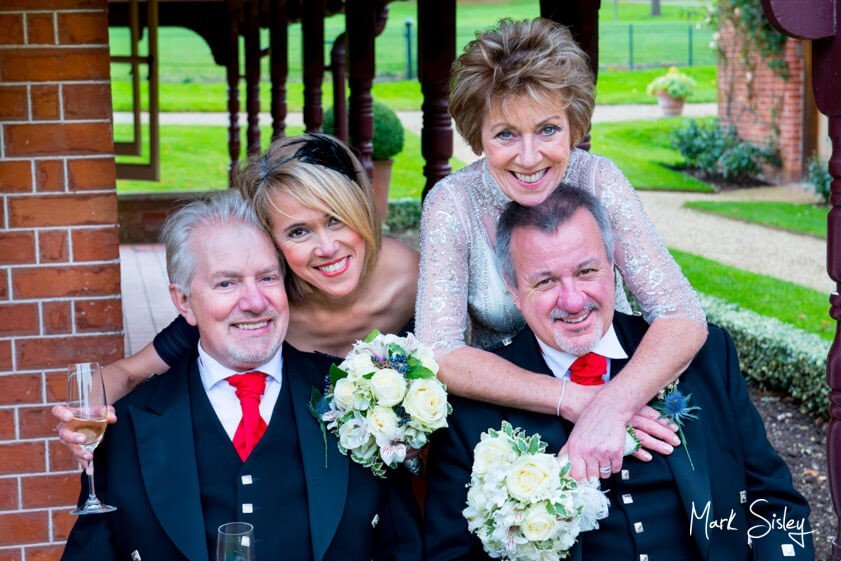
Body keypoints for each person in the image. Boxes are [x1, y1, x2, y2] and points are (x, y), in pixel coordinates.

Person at [423, 186, 813, 561]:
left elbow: (775, 503)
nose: (573, 301)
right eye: (545, 281)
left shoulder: (706, 358)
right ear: (512, 289)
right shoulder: (475, 407)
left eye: (587, 271)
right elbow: (452, 553)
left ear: (613, 267)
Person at [415, 17, 708, 479]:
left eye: (548, 130)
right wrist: (572, 400)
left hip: (618, 391)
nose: (529, 158)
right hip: (512, 416)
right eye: (506, 134)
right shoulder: (452, 205)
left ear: (573, 124)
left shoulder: (599, 179)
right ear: (478, 135)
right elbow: (440, 352)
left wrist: (611, 405)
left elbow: (683, 316)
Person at [61, 190, 423, 561]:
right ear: (183, 301)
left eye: (267, 278)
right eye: (226, 283)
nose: (254, 302)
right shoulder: (129, 425)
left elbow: (403, 548)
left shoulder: (357, 400)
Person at [54, 134, 419, 463]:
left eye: (336, 220)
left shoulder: (413, 280)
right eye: (298, 231)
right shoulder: (258, 308)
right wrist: (85, 413)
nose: (326, 248)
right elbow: (127, 373)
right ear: (272, 245)